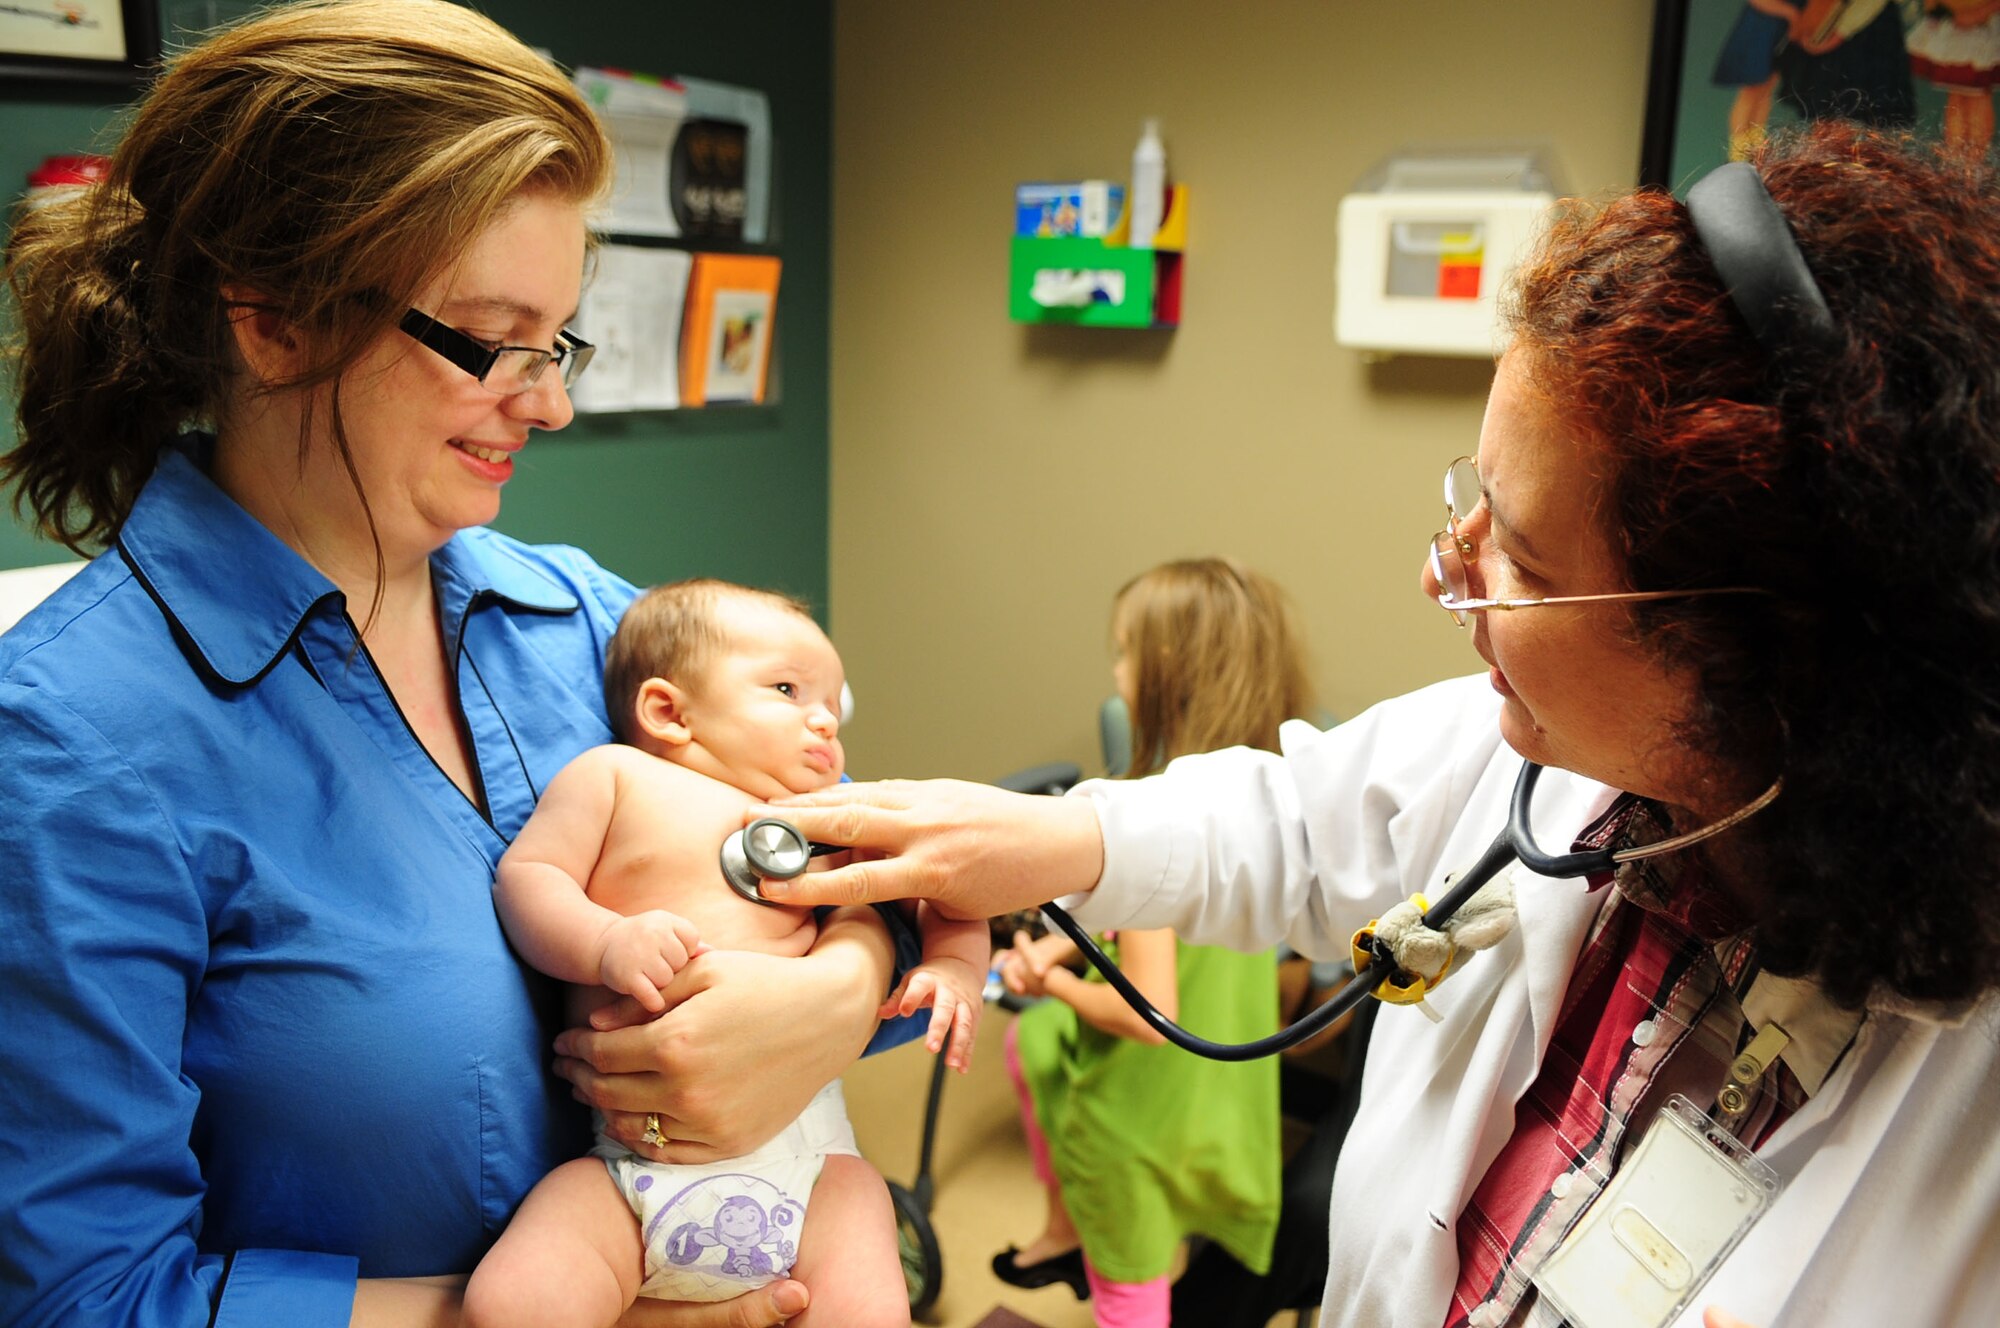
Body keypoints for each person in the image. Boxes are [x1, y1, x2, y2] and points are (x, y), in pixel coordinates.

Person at [752, 121, 2000, 1328]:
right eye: (1470, 502)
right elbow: (1293, 821)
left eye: (1513, 552)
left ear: (1761, 656)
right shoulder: (1539, 763)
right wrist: (1045, 833)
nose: (1441, 573)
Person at [0, 4, 909, 1325]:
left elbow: (855, 852)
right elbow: (84, 1300)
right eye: (494, 343)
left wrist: (839, 994)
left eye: (562, 344)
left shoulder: (588, 623)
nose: (550, 403)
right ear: (274, 322)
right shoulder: (72, 750)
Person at [464, 579, 986, 1327]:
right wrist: (605, 940)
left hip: (812, 1174)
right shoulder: (615, 779)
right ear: (668, 712)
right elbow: (531, 878)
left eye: (831, 704)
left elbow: (944, 888)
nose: (823, 720)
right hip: (625, 1177)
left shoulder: (829, 822)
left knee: (870, 1292)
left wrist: (954, 966)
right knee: (508, 1304)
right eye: (786, 688)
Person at [989, 558, 1300, 1323]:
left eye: (1126, 652)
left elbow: (1148, 1011)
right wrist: (1060, 951)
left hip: (1140, 1113)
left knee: (1128, 1289)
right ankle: (1067, 1232)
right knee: (1027, 1049)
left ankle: (1111, 1246)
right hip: (1225, 1079)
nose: (1118, 671)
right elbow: (1153, 924)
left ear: (1168, 671)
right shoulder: (1260, 789)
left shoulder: (1155, 815)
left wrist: (1052, 982)